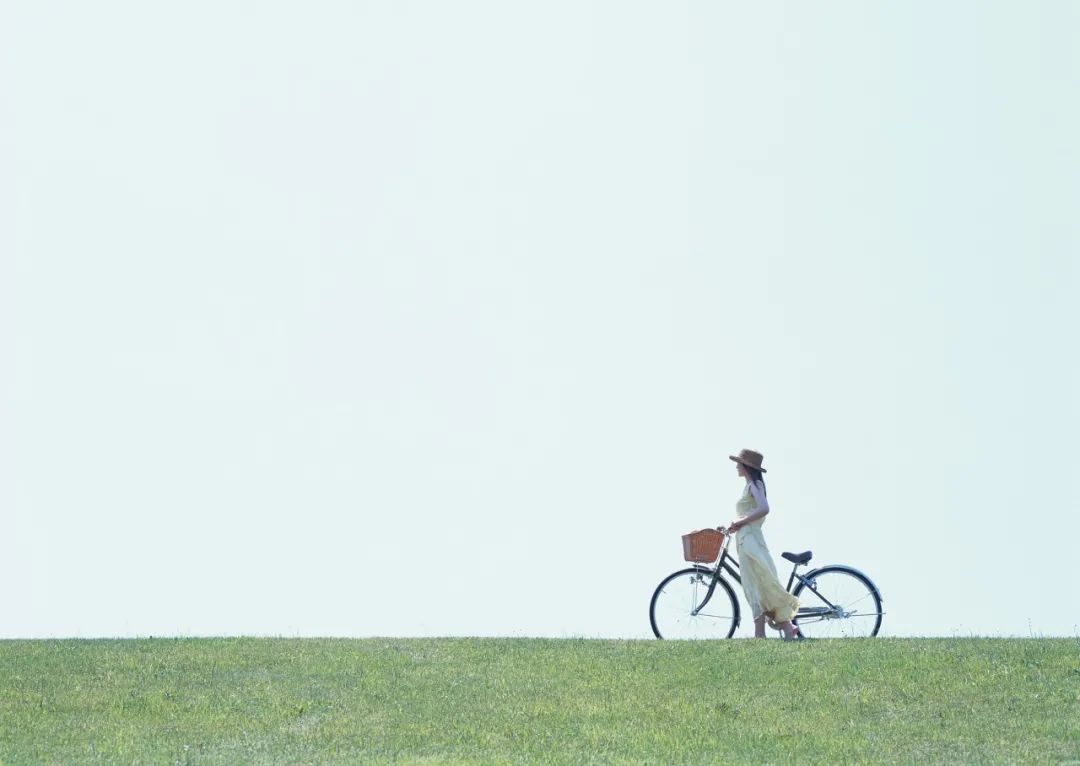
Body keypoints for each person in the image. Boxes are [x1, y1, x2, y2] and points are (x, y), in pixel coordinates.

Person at [725, 449, 802, 640]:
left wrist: (740, 522)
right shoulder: (751, 486)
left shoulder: (754, 485)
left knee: (755, 584)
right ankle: (787, 628)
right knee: (759, 584)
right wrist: (737, 525)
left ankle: (760, 634)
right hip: (746, 538)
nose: (736, 466)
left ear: (746, 466)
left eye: (738, 463)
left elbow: (764, 508)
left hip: (750, 540)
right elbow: (752, 513)